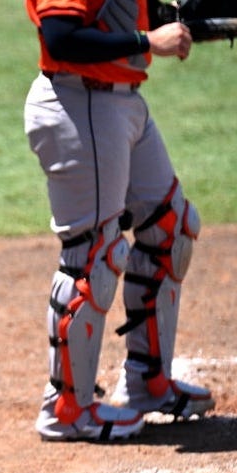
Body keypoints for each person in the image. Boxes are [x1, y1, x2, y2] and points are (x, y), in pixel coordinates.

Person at [25, 0, 216, 441]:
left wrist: (176, 19)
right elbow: (61, 37)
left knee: (170, 227)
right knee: (93, 254)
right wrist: (148, 42)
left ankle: (148, 383)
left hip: (122, 102)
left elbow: (116, 13)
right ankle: (66, 408)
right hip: (80, 104)